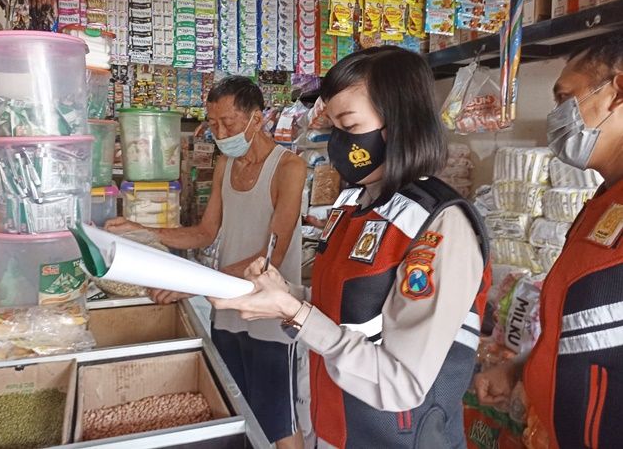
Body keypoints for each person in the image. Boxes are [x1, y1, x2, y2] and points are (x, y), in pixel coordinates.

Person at [210, 46, 492, 448]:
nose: (338, 142)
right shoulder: (354, 206)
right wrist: (283, 294)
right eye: (335, 127)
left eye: (349, 124)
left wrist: (296, 312)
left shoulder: (440, 225)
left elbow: (401, 384)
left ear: (398, 124)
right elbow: (346, 308)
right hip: (333, 430)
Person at [106, 76, 306, 448]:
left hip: (271, 314)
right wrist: (141, 229)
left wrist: (195, 282)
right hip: (226, 310)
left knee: (279, 419)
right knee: (236, 405)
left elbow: (270, 258)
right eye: (212, 123)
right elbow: (204, 232)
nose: (219, 131)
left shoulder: (288, 168)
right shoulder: (226, 165)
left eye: (227, 123)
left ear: (256, 119)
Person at [475, 35, 623, 447]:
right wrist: (522, 368)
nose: (556, 115)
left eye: (565, 98)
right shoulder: (603, 201)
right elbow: (585, 330)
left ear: (618, 92)